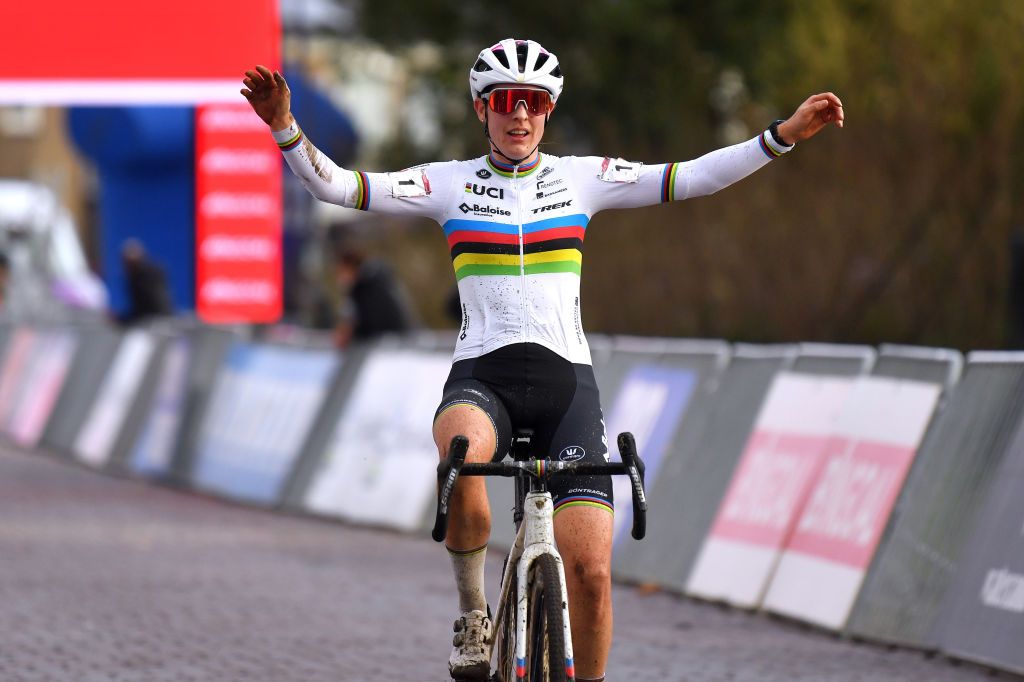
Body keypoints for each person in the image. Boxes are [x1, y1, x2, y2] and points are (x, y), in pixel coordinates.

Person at [242, 38, 843, 681]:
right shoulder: (447, 184)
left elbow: (691, 177)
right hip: (483, 378)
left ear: (548, 110)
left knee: (592, 573)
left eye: (533, 101)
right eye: (505, 101)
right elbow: (339, 187)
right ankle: (474, 611)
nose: (519, 115)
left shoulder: (583, 178)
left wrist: (781, 135)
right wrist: (285, 126)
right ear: (483, 110)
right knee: (462, 455)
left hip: (567, 390)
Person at [332, 242, 418, 348]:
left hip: (393, 344)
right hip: (390, 343)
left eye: (342, 272)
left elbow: (373, 323)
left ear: (351, 268)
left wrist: (351, 335)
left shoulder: (371, 287)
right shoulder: (363, 287)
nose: (340, 278)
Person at [118, 239, 173, 325]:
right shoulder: (134, 277)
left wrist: (121, 320)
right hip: (154, 322)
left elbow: (148, 308)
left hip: (156, 324)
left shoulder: (146, 278)